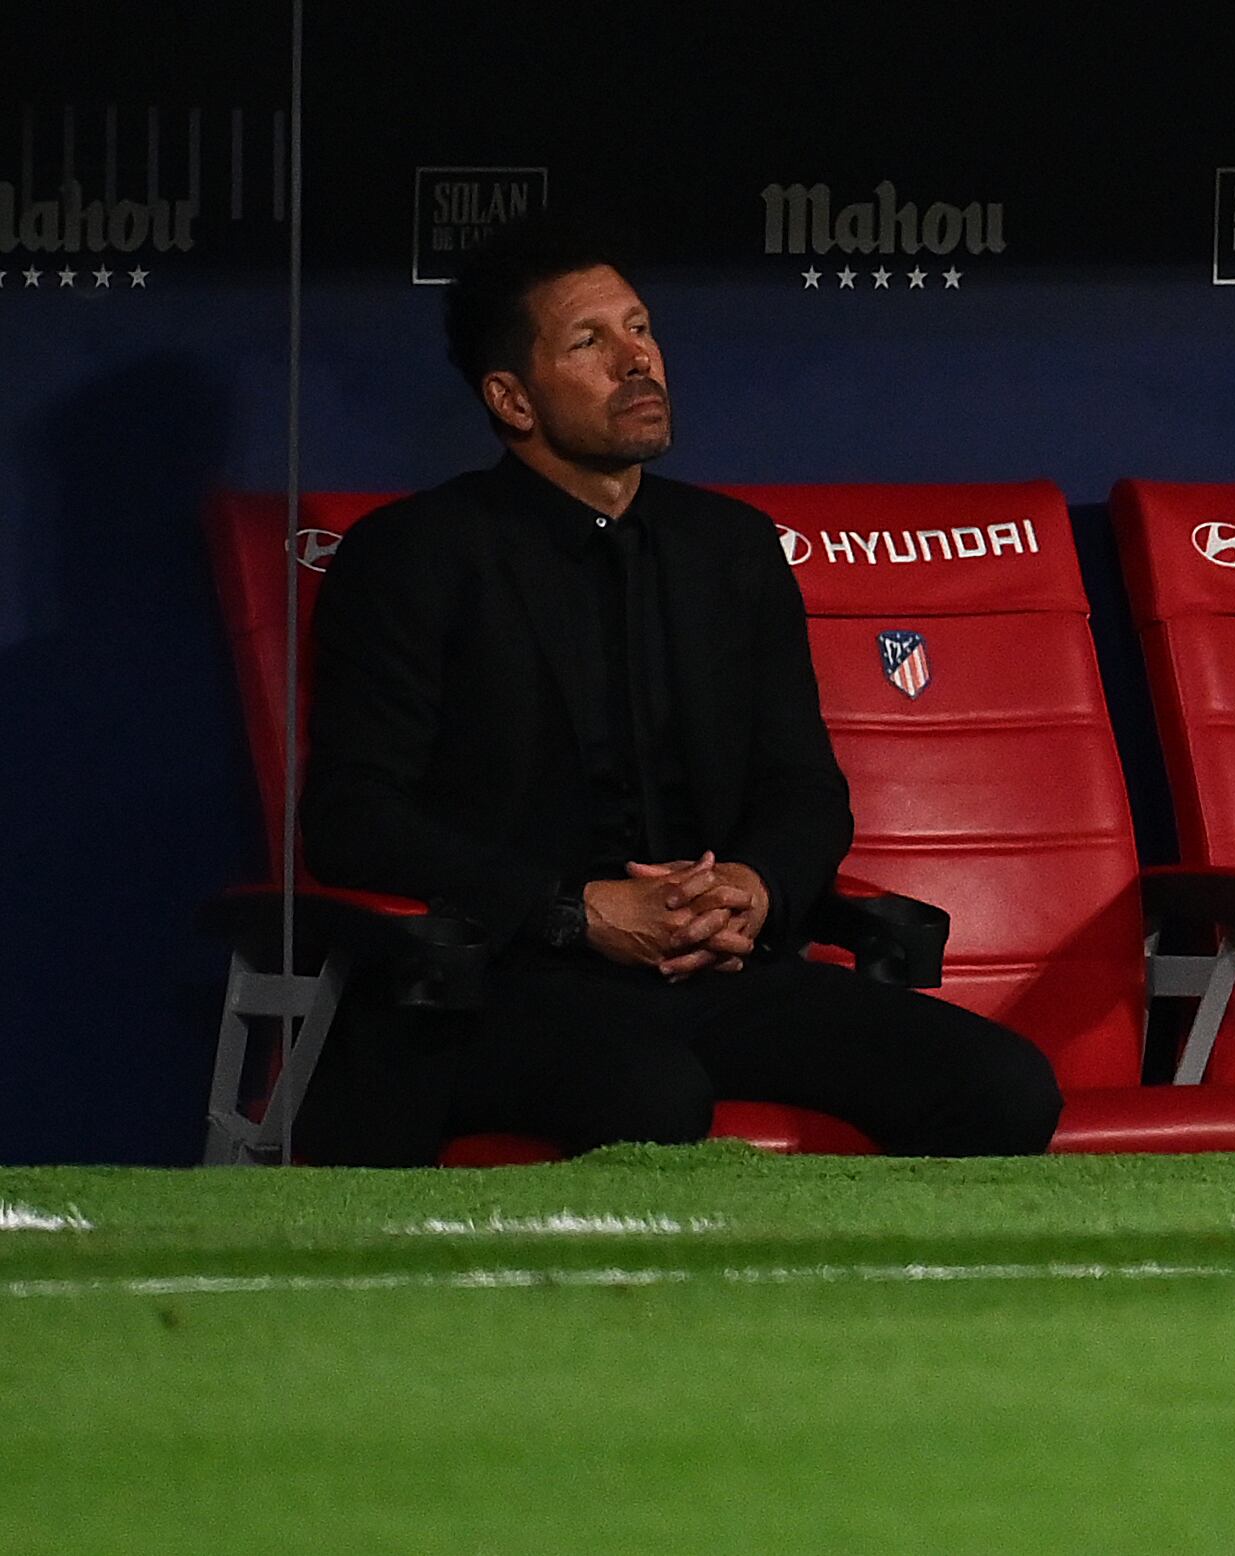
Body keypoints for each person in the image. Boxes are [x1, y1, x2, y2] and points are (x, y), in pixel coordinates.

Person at [293, 218, 1063, 1165]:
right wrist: (577, 910)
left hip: (719, 974)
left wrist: (755, 887)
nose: (638, 360)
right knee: (650, 1096)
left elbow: (805, 789)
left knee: (1001, 1086)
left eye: (641, 328)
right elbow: (352, 817)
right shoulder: (415, 555)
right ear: (512, 398)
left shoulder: (731, 550)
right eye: (590, 341)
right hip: (506, 978)